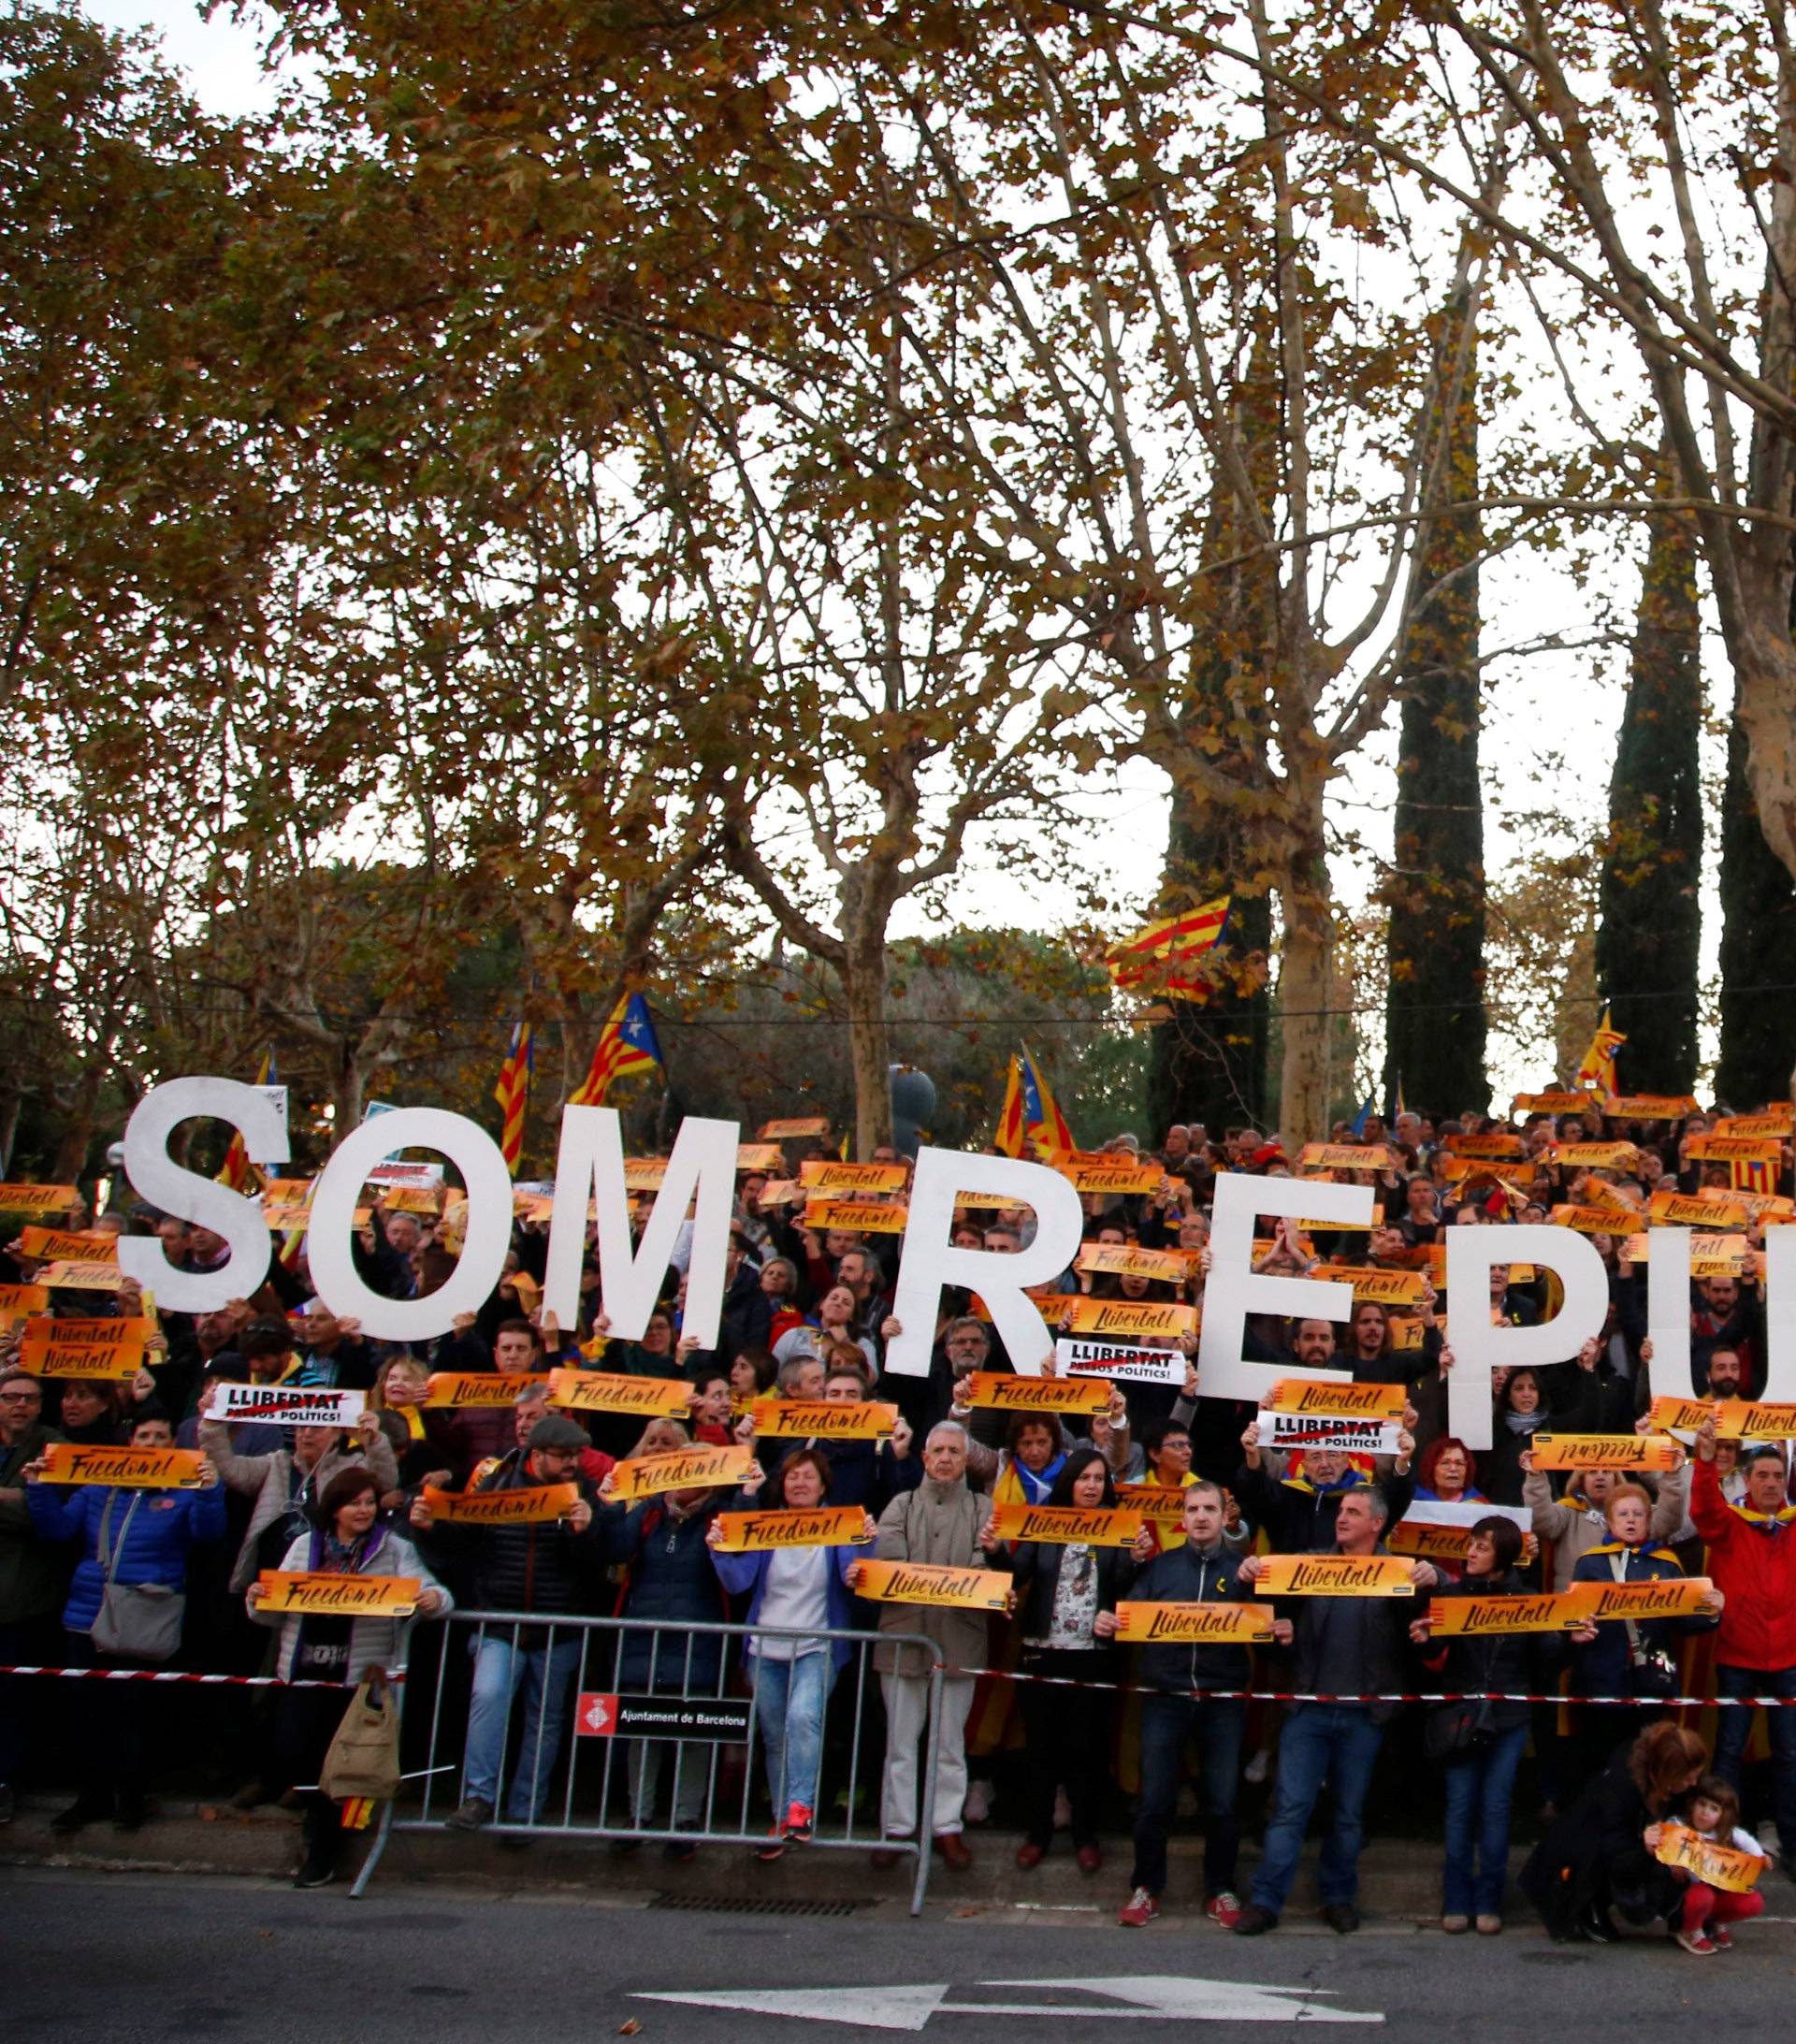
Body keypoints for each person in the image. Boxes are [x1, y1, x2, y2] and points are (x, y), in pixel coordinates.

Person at [1233, 1487, 1438, 1935]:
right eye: (1340, 1511)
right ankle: (1266, 1902)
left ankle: (1339, 1898)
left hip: (1364, 1714)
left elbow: (1432, 1611)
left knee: (1347, 1815)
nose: (1341, 1518)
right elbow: (1264, 1599)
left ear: (1377, 1524)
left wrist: (1432, 1576)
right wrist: (1248, 1573)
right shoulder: (1311, 1563)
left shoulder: (1397, 1572)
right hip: (1308, 1709)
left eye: (1353, 1512)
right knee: (1290, 1810)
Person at [22, 1411, 228, 1833]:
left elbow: (207, 1535)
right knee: (88, 1713)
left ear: (173, 1444)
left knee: (136, 1711)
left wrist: (210, 1490)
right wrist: (38, 1488)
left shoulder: (186, 1489)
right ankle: (92, 1797)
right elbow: (58, 1531)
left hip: (145, 1616)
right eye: (143, 1435)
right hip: (87, 1613)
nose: (151, 1442)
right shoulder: (99, 1486)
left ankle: (132, 1798)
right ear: (129, 1443)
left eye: (161, 1435)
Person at [247, 1465, 450, 1886]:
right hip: (303, 1672)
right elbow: (271, 1613)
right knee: (295, 1753)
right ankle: (319, 1826)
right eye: (354, 1502)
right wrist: (257, 1599)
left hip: (357, 1679)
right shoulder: (305, 1546)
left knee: (341, 1766)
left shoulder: (393, 1550)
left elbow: (439, 1594)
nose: (363, 1510)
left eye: (370, 1503)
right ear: (334, 1508)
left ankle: (324, 1851)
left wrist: (431, 1598)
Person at [409, 1413, 606, 1833]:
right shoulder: (496, 1483)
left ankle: (526, 1811)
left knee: (545, 1720)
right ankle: (479, 1796)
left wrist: (583, 1533)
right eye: (563, 1455)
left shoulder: (584, 1493)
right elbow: (462, 1541)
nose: (572, 1462)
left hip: (559, 1627)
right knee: (489, 1698)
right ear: (537, 1455)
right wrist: (430, 1529)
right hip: (500, 1622)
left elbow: (599, 1562)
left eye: (576, 1454)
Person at [706, 1447, 875, 1860]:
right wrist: (719, 1549)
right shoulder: (765, 1527)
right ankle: (784, 1820)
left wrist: (865, 1543)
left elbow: (856, 1576)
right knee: (776, 1734)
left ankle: (800, 1808)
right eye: (792, 1477)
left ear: (823, 1486)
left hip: (817, 1646)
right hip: (765, 1648)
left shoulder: (842, 1523)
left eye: (808, 1477)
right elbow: (736, 1582)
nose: (799, 1483)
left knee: (803, 1718)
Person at [863, 1421, 1006, 1872]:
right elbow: (888, 1563)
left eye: (954, 1451)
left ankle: (946, 1827)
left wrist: (971, 1579)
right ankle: (897, 1828)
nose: (945, 1458)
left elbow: (983, 1567)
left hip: (959, 1643)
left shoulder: (985, 1509)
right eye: (938, 1450)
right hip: (904, 1642)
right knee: (900, 1743)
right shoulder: (900, 1505)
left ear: (966, 1460)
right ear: (924, 1457)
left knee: (949, 1746)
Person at [1117, 1480, 1252, 1930]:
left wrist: (1281, 1630)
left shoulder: (1241, 1572)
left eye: (1209, 1508)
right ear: (1182, 1516)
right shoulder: (1160, 1568)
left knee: (1223, 1802)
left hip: (1222, 1700)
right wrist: (1109, 1618)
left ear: (1222, 1515)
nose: (1200, 1517)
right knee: (1154, 1800)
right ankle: (1147, 1888)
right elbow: (1130, 1615)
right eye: (1192, 1509)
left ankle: (1221, 1890)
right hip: (1166, 1697)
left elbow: (1267, 1633)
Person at [598, 1422, 733, 1856]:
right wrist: (608, 1508)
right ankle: (639, 1814)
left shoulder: (720, 1517)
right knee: (642, 1730)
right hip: (646, 1637)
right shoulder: (651, 1512)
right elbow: (616, 1549)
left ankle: (685, 1818)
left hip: (698, 1641)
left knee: (693, 1732)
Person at [1411, 1515, 1551, 1934]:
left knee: (1495, 1807)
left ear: (1503, 1557)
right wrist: (1423, 1639)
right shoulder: (1451, 1595)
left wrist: (1567, 1637)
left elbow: (1546, 1657)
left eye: (1482, 1547)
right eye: (1471, 1544)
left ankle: (1489, 1901)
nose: (1471, 1553)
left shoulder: (1526, 1597)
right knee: (1459, 1808)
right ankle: (1456, 1899)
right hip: (1461, 1715)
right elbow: (1434, 1652)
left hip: (1509, 1717)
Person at [1007, 1447, 1134, 1875]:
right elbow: (1016, 1574)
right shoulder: (1046, 1521)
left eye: (1100, 1479)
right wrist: (992, 1552)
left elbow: (1125, 1586)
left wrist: (1135, 1559)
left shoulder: (1119, 1524)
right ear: (1070, 1483)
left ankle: (1085, 1836)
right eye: (1084, 1478)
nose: (1093, 1486)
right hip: (1043, 1651)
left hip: (1093, 1657)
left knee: (1089, 1753)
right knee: (1041, 1749)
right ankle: (1037, 1835)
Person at [1687, 1420, 1796, 1864]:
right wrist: (1706, 1461)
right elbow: (1704, 1511)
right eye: (1762, 1476)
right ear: (1748, 1481)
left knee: (1791, 1755)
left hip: (1790, 1658)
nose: (1770, 1483)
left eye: (1777, 1476)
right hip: (1739, 1655)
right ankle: (1722, 1843)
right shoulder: (1731, 1522)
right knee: (1729, 1751)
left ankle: (1791, 1845)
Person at [1566, 1482, 1723, 1779]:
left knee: (1650, 1763)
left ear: (1648, 1521)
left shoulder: (1666, 1565)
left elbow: (1684, 1621)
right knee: (1604, 1763)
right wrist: (1574, 1634)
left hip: (1653, 1679)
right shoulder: (1590, 1564)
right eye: (1622, 1513)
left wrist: (1713, 1612)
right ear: (1610, 1521)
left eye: (1638, 1514)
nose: (1630, 1519)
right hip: (1602, 1680)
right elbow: (1572, 1620)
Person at [1521, 1719, 1707, 1943]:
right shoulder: (1621, 1790)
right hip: (1577, 1863)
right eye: (1688, 1778)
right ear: (1668, 1773)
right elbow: (1615, 1854)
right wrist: (1646, 1849)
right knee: (1640, 1892)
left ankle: (1674, 1913)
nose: (1694, 1783)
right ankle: (1588, 1905)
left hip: (1612, 1845)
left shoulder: (1653, 1772)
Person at [0, 1369, 65, 1826]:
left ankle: (5, 1782)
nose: (20, 1405)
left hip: (20, 1596)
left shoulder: (53, 1445)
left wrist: (18, 1505)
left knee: (11, 1700)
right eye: (10, 1397)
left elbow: (43, 1515)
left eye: (30, 1397)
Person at [1672, 1773, 1769, 1954]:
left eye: (1714, 1808)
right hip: (1682, 1896)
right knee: (1702, 1895)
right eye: (1702, 1804)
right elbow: (1666, 1845)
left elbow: (1749, 1842)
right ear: (1692, 1804)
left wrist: (1761, 1857)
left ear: (1723, 1815)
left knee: (1753, 1901)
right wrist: (1674, 1864)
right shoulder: (1679, 1826)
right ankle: (1689, 1930)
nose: (1705, 1812)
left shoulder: (1726, 1833)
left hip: (1716, 1891)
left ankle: (1713, 1922)